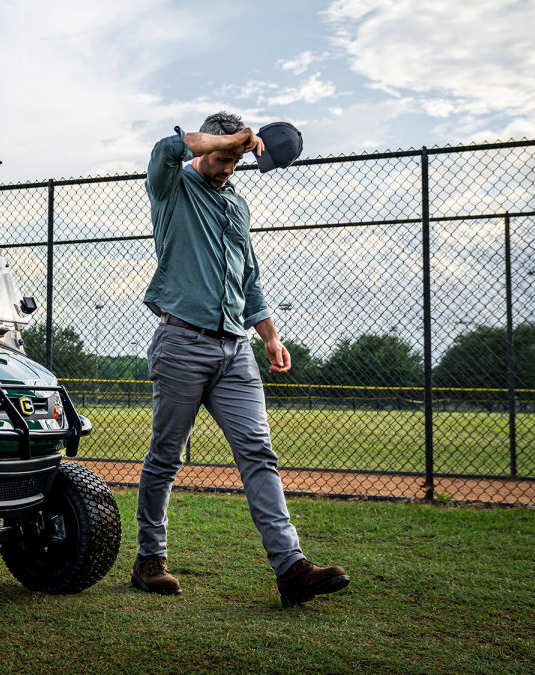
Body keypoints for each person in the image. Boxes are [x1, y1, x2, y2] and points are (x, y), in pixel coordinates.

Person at [132, 111, 350, 605]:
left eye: (236, 160)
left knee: (258, 454)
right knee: (166, 458)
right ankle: (149, 560)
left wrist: (269, 336)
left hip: (236, 350)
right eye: (223, 157)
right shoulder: (173, 188)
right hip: (182, 343)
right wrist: (233, 140)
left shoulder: (237, 205)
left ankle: (291, 569)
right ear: (210, 145)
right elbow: (168, 149)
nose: (230, 167)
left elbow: (248, 278)